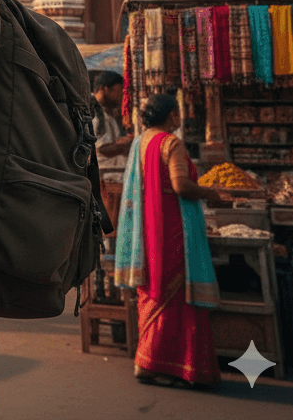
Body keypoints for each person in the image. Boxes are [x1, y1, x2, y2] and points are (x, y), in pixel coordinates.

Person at [115, 92, 224, 389]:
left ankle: (146, 361)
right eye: (176, 114)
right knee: (176, 298)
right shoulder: (170, 142)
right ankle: (172, 365)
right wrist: (211, 193)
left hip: (146, 230)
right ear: (171, 115)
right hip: (172, 228)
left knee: (152, 292)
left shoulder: (141, 142)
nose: (179, 118)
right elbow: (181, 186)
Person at [91, 70, 132, 172]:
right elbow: (102, 149)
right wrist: (127, 143)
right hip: (107, 173)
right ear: (104, 89)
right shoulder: (96, 113)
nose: (121, 97)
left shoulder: (105, 112)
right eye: (118, 91)